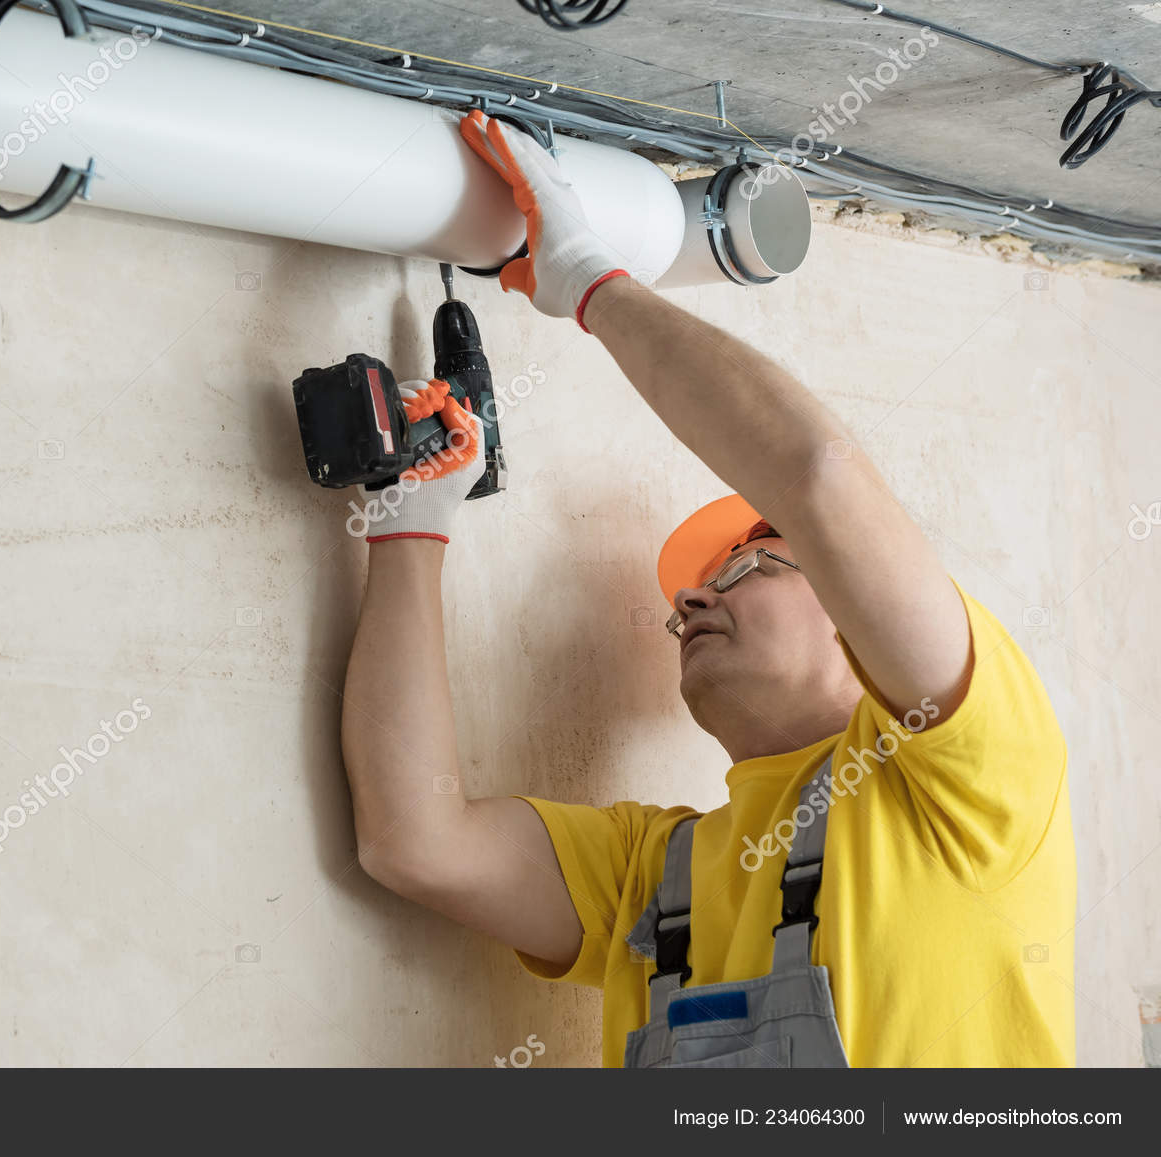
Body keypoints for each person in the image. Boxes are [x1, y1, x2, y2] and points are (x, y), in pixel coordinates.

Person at [336, 111, 1073, 1067]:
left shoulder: (968, 783)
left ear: (854, 613)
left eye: (744, 563)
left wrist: (593, 287)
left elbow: (818, 479)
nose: (690, 601)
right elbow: (414, 838)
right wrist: (410, 522)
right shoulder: (657, 875)